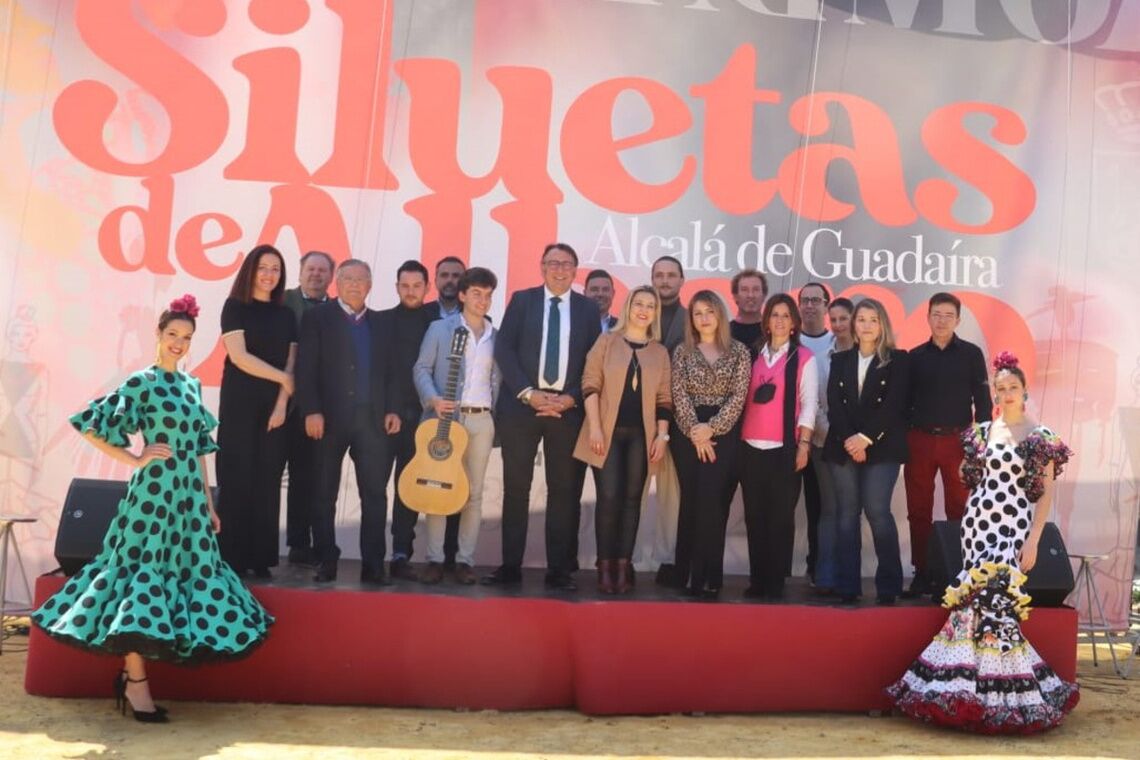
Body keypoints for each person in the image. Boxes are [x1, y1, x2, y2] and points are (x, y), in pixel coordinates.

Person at [32, 296, 272, 722]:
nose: (179, 343)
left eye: (186, 338)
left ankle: (136, 678)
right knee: (135, 582)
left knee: (187, 579)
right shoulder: (141, 383)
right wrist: (135, 460)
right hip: (151, 498)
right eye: (173, 335)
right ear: (158, 335)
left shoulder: (192, 386)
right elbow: (90, 424)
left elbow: (199, 450)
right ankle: (136, 681)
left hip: (188, 502)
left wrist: (208, 501)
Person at [888, 351, 1078, 733]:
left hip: (1012, 528)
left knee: (996, 604)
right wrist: (969, 464)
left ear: (1025, 391)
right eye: (1000, 388)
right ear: (993, 392)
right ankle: (966, 691)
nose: (1006, 394)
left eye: (1013, 388)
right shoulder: (982, 432)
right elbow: (967, 476)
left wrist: (1035, 540)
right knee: (975, 604)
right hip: (977, 526)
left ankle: (1007, 696)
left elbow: (1045, 495)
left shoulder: (1041, 437)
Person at [484, 243, 601, 590]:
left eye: (566, 264)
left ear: (575, 270)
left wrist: (570, 399)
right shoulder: (522, 300)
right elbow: (504, 348)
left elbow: (593, 361)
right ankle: (510, 567)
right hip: (521, 408)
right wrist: (529, 394)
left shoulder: (587, 308)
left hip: (566, 412)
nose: (559, 269)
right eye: (553, 263)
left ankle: (559, 571)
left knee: (563, 493)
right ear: (541, 266)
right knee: (516, 490)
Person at [297, 259, 400, 584]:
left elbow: (394, 372)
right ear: (336, 284)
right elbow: (306, 367)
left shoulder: (382, 323)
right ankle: (326, 559)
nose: (355, 284)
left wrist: (393, 409)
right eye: (348, 279)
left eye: (361, 279)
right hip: (328, 419)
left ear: (370, 286)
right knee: (324, 492)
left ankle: (373, 564)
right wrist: (311, 409)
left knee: (374, 493)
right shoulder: (317, 318)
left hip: (371, 420)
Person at [574, 286, 672, 594]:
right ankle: (605, 565)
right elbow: (590, 383)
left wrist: (662, 435)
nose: (644, 310)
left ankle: (622, 564)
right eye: (638, 303)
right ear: (628, 307)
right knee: (609, 498)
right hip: (607, 434)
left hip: (642, 438)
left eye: (650, 306)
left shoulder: (660, 351)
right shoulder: (606, 341)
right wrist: (595, 427)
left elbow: (664, 397)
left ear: (656, 313)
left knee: (632, 501)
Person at [413, 267, 501, 585]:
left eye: (488, 295)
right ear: (462, 295)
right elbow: (421, 368)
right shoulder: (440, 328)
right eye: (476, 293)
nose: (483, 300)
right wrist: (433, 399)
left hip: (480, 420)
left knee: (473, 494)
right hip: (446, 419)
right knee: (438, 486)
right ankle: (435, 559)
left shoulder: (496, 335)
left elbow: (497, 381)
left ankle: (465, 560)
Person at [903, 292, 992, 597]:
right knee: (918, 509)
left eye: (948, 316)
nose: (941, 321)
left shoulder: (971, 354)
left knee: (959, 508)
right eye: (936, 315)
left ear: (958, 320)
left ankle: (958, 570)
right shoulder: (913, 357)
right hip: (920, 440)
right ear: (927, 317)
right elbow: (903, 404)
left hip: (958, 441)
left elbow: (983, 406)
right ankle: (921, 571)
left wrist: (977, 450)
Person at [216, 244, 297, 578]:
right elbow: (239, 357)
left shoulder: (287, 314)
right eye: (263, 267)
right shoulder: (234, 307)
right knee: (236, 478)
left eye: (276, 269)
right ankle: (231, 558)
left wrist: (281, 404)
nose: (269, 275)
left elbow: (292, 358)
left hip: (275, 407)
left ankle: (260, 557)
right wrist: (283, 378)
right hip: (239, 402)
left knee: (266, 480)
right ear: (251, 270)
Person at [823, 298, 909, 605]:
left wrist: (866, 438)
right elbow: (834, 404)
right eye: (862, 319)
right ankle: (848, 585)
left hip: (882, 449)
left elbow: (894, 406)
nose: (867, 325)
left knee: (877, 512)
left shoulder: (898, 360)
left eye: (874, 319)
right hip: (844, 447)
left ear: (882, 324)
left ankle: (889, 585)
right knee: (847, 515)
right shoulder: (840, 360)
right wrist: (851, 440)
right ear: (854, 325)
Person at [670, 290, 751, 599]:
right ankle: (687, 573)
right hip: (687, 434)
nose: (704, 318)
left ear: (720, 315)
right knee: (691, 500)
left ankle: (709, 577)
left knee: (712, 503)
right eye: (698, 312)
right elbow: (679, 395)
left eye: (710, 311)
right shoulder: (682, 352)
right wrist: (695, 430)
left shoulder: (740, 351)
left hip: (724, 433)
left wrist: (712, 428)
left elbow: (738, 397)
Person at [738, 294, 817, 599]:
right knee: (755, 517)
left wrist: (804, 444)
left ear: (794, 322)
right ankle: (757, 579)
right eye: (775, 315)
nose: (780, 321)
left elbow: (809, 403)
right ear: (766, 321)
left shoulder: (804, 357)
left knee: (780, 518)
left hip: (785, 448)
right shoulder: (753, 354)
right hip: (750, 446)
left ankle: (775, 581)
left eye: (786, 315)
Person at [380, 260, 440, 581]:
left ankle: (402, 554)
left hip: (424, 420)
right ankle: (375, 555)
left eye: (417, 286)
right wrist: (389, 408)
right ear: (397, 287)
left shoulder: (437, 323)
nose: (411, 291)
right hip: (387, 418)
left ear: (427, 287)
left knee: (410, 489)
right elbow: (381, 371)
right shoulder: (383, 321)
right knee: (376, 488)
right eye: (405, 286)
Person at [281, 250, 335, 567]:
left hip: (319, 407)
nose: (316, 275)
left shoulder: (337, 309)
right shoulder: (283, 301)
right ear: (300, 272)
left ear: (331, 277)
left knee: (314, 478)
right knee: (288, 478)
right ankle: (296, 542)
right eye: (311, 269)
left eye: (322, 271)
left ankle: (313, 543)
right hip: (282, 404)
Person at [810, 296, 854, 594]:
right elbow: (814, 402)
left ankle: (847, 577)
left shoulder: (871, 355)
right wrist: (833, 438)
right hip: (824, 443)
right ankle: (825, 577)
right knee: (830, 509)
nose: (838, 325)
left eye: (843, 319)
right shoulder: (821, 358)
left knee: (850, 510)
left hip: (860, 446)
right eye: (833, 320)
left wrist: (857, 440)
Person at [649, 255, 686, 586]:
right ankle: (618, 559)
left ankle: (669, 559)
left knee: (670, 498)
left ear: (681, 280)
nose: (664, 281)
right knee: (628, 494)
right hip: (634, 419)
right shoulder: (639, 314)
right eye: (659, 275)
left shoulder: (695, 319)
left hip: (676, 421)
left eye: (671, 275)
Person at [796, 282, 834, 582]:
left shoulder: (837, 342)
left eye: (815, 300)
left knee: (819, 506)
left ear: (826, 306)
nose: (810, 306)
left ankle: (817, 566)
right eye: (805, 300)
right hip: (788, 440)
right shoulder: (789, 341)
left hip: (822, 440)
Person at [729, 269, 767, 353]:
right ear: (735, 296)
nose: (750, 295)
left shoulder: (772, 332)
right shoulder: (724, 333)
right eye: (744, 290)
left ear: (764, 295)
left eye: (756, 289)